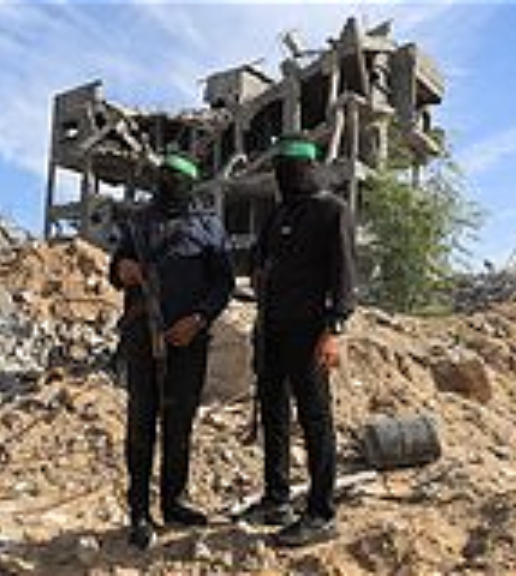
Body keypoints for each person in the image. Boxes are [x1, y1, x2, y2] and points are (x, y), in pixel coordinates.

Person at [109, 152, 235, 550]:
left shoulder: (208, 226)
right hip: (143, 339)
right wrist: (123, 270)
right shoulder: (138, 223)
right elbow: (116, 269)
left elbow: (223, 284)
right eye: (164, 176)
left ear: (190, 185)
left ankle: (174, 501)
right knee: (141, 425)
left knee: (179, 424)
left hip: (189, 342)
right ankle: (139, 511)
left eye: (177, 178)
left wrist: (198, 319)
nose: (168, 184)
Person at [241, 135, 357, 547]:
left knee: (315, 419)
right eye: (280, 168)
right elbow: (257, 260)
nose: (285, 175)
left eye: (292, 167)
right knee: (273, 413)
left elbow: (343, 278)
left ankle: (321, 513)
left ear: (309, 168)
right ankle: (277, 500)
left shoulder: (332, 210)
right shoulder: (277, 214)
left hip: (310, 332)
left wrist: (333, 331)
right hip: (272, 329)